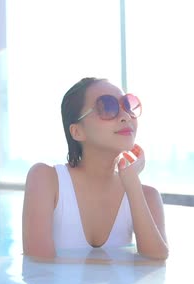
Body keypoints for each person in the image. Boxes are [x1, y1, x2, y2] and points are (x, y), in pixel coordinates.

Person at [22, 77, 169, 261]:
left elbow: (157, 261)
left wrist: (132, 184)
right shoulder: (46, 180)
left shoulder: (147, 196)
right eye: (107, 107)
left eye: (128, 106)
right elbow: (38, 266)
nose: (125, 116)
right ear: (77, 131)